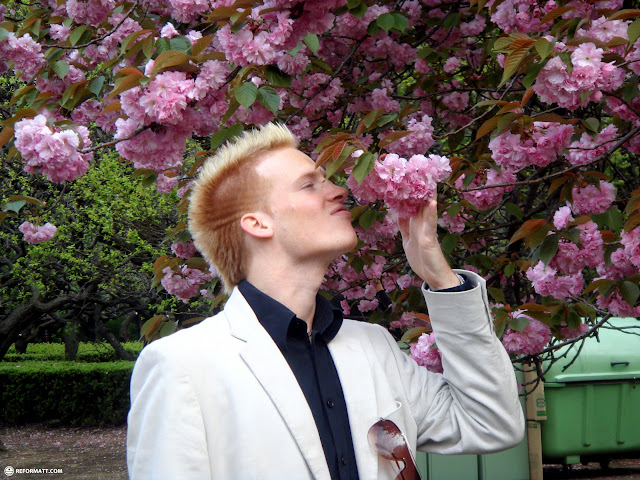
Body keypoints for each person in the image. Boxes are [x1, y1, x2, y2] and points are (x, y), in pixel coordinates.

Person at [126, 123, 524, 480]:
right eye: (309, 185)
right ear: (258, 223)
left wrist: (442, 280)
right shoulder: (183, 366)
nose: (338, 190)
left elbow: (491, 424)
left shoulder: (374, 347)